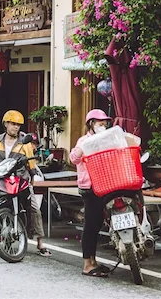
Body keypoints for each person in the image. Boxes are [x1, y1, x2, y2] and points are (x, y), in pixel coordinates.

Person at [0, 110, 51, 257]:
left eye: (18, 125)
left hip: (20, 179)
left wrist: (31, 177)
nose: (16, 127)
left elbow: (31, 162)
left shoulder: (24, 141)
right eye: (13, 124)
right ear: (6, 124)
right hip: (0, 179)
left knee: (35, 209)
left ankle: (40, 243)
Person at [70, 109, 114, 277]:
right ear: (91, 124)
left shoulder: (104, 140)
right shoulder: (84, 140)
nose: (103, 126)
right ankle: (87, 264)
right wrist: (84, 147)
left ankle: (94, 261)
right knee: (90, 225)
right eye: (100, 124)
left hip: (103, 185)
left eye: (105, 124)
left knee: (96, 225)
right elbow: (73, 158)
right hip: (89, 187)